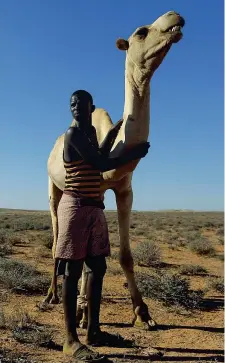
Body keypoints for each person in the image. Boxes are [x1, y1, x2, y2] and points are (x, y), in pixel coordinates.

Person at [55, 90, 150, 362]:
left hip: (94, 209)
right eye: (71, 103)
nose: (75, 107)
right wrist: (134, 153)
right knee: (72, 272)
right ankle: (70, 340)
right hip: (74, 208)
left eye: (80, 104)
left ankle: (93, 331)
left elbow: (99, 152)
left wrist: (113, 133)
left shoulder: (89, 136)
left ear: (90, 108)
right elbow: (100, 163)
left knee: (98, 267)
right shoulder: (73, 135)